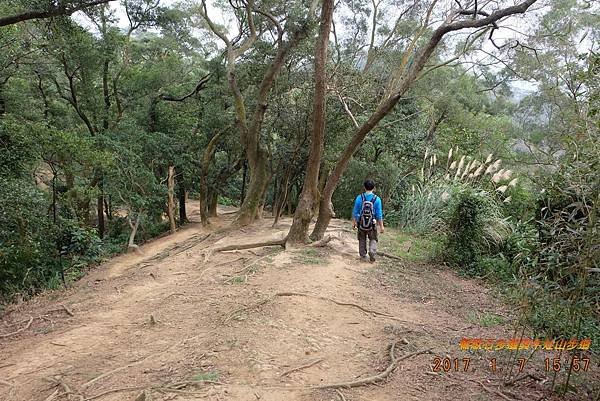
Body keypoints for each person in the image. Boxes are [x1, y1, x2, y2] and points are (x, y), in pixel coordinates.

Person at [352, 179, 384, 262]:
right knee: (373, 238)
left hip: (361, 223)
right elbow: (379, 214)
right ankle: (372, 252)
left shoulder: (359, 198)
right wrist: (381, 226)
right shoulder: (377, 199)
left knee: (362, 239)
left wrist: (354, 223)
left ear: (364, 187)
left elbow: (355, 212)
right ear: (374, 188)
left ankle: (363, 256)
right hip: (372, 223)